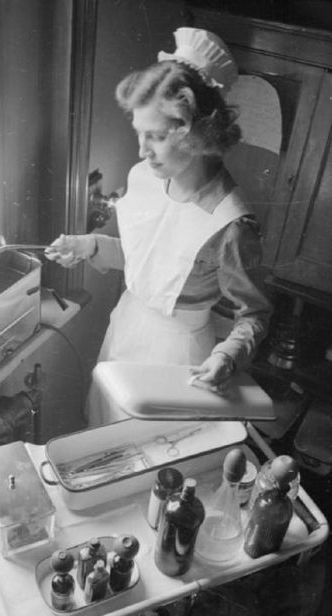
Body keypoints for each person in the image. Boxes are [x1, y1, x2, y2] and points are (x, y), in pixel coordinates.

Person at [45, 27, 272, 426]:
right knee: (105, 431)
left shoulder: (230, 225)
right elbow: (148, 261)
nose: (141, 150)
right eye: (139, 134)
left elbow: (253, 315)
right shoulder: (146, 178)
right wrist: (90, 245)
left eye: (155, 137)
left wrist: (226, 356)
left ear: (198, 132)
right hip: (127, 328)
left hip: (177, 357)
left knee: (152, 454)